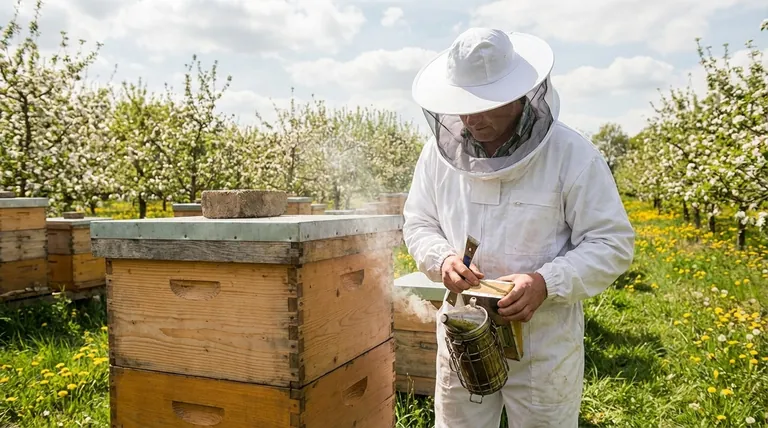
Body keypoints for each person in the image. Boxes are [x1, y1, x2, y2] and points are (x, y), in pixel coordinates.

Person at [402, 27, 635, 427]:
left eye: (483, 104)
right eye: (461, 103)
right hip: (464, 330)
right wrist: (441, 259)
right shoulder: (436, 156)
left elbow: (611, 242)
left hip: (542, 342)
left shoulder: (571, 154)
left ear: (515, 96)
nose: (469, 118)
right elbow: (419, 221)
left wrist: (547, 281)